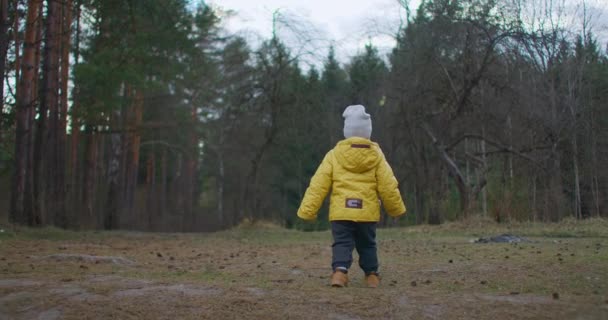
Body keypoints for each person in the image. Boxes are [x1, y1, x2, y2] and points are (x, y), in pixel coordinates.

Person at [297, 104, 406, 288]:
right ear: (367, 132)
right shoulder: (377, 155)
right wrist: (395, 209)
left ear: (347, 131)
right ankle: (372, 276)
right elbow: (388, 185)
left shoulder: (333, 155)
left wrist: (308, 210)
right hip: (367, 212)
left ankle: (339, 273)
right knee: (368, 244)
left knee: (342, 243)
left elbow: (318, 184)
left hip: (341, 211)